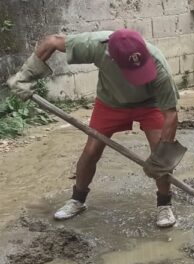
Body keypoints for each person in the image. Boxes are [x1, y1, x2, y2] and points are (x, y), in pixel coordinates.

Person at [6, 29, 182, 228]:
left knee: (161, 156)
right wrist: (24, 76)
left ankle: (164, 204)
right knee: (91, 151)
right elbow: (52, 42)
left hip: (150, 104)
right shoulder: (96, 46)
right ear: (111, 57)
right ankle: (77, 200)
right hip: (110, 102)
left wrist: (163, 154)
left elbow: (170, 115)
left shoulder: (158, 65)